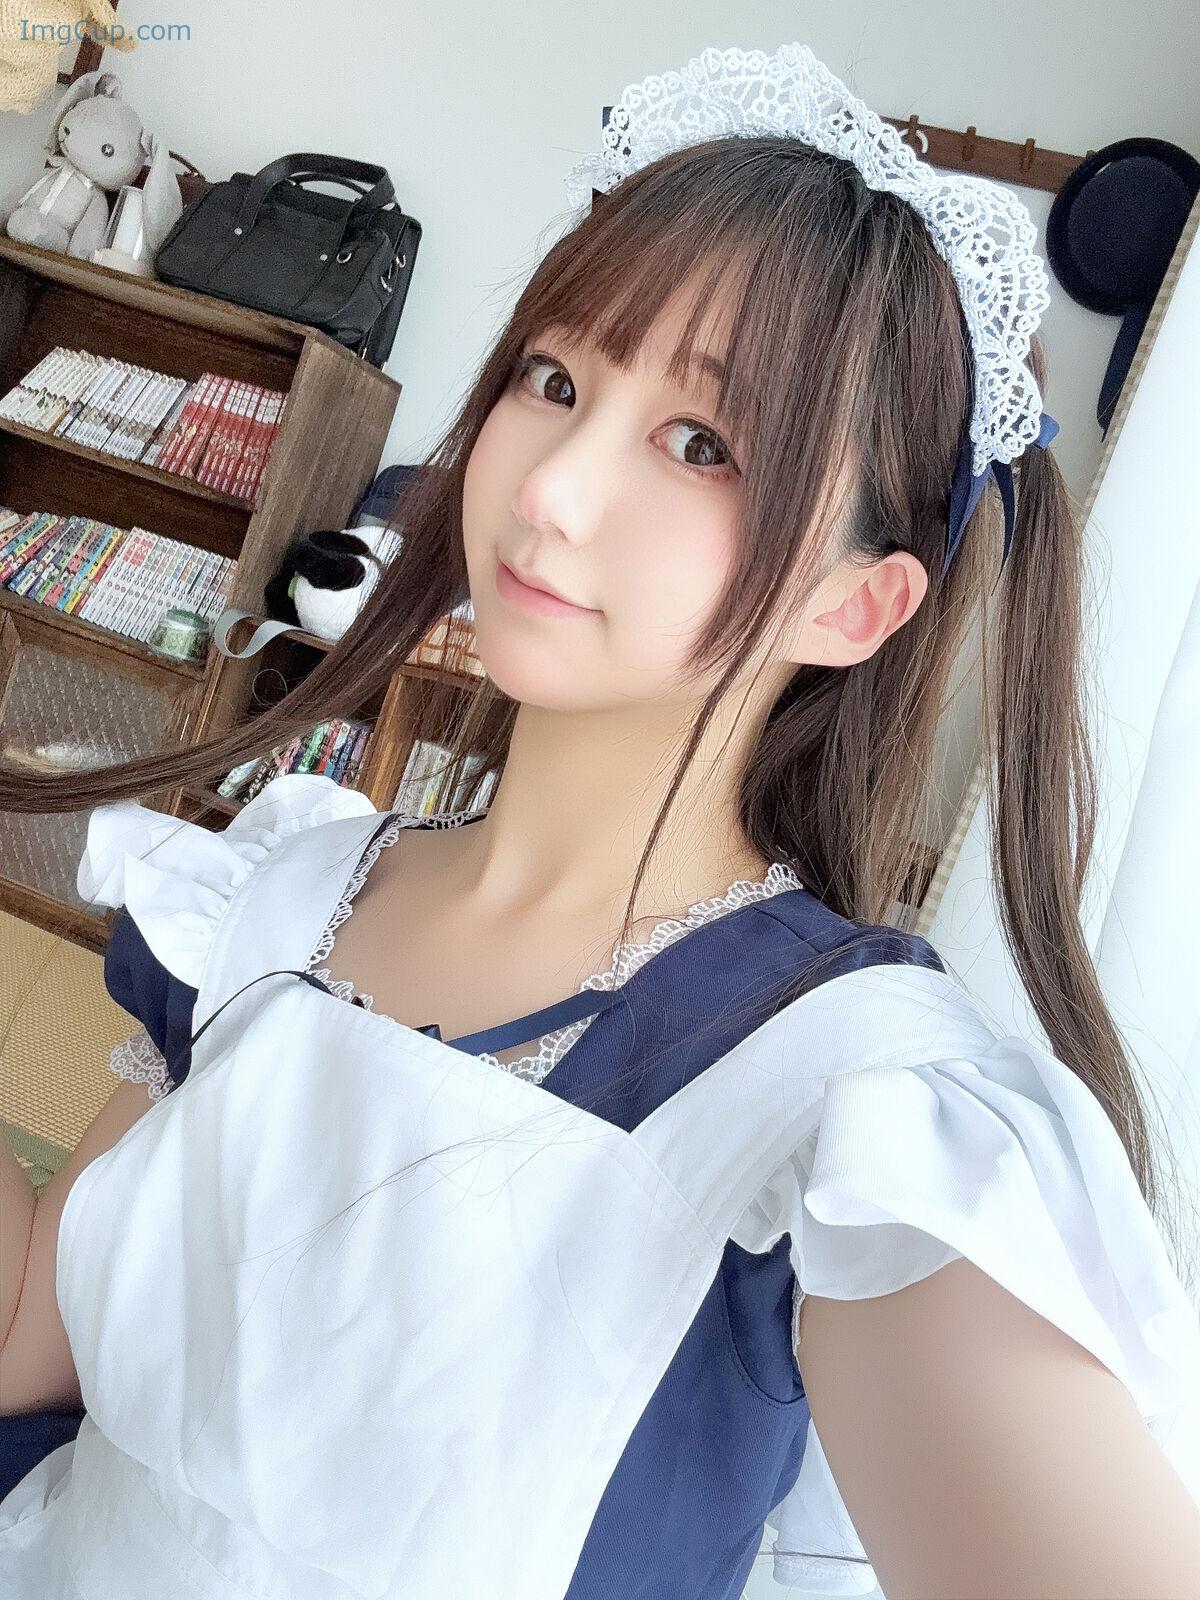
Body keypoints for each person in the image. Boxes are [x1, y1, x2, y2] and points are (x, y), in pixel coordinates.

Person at [1, 39, 1198, 1600]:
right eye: (554, 379)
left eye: (703, 445)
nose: (550, 489)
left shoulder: (850, 1103)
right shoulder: (277, 885)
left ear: (855, 604)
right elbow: (36, 1341)